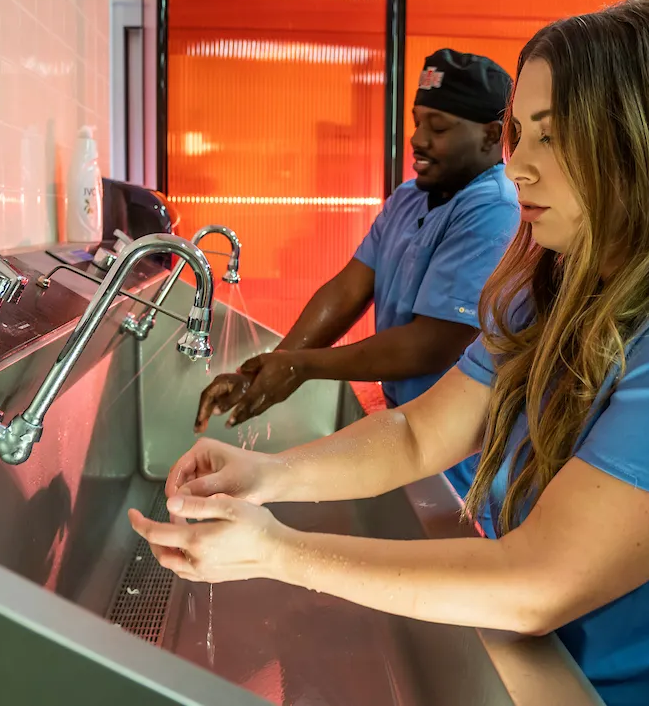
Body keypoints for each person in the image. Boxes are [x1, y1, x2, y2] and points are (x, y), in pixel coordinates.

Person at [133, 0, 649, 706]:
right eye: (520, 133)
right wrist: (265, 475)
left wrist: (278, 551)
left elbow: (537, 581)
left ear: (644, 142)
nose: (517, 166)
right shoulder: (554, 289)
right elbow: (416, 432)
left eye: (551, 137)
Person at [195, 49, 520, 507]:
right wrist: (271, 365)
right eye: (417, 121)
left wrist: (300, 367)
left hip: (465, 455)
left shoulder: (493, 209)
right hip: (409, 436)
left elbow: (432, 345)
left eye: (439, 127)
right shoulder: (409, 199)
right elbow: (348, 289)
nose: (418, 139)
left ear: (491, 135)